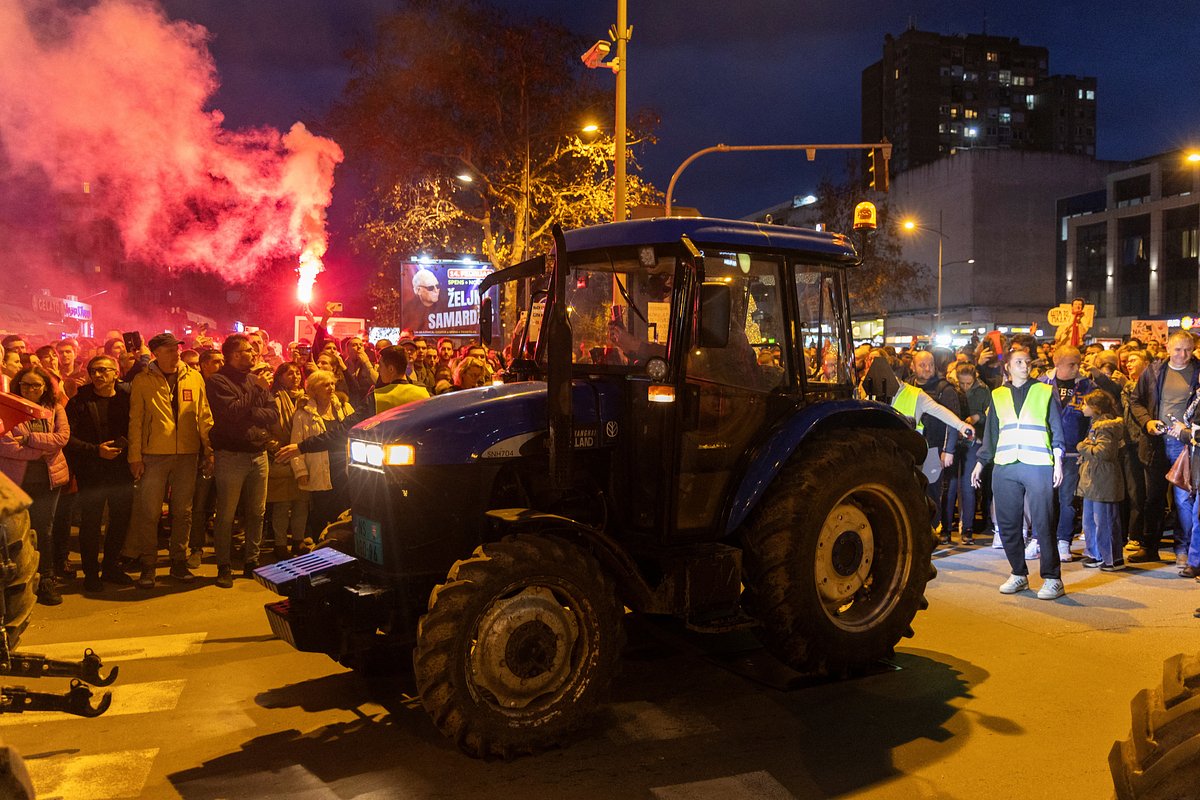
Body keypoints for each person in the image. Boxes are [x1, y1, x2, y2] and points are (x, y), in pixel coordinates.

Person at [971, 347, 1067, 600]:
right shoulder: (998, 395)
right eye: (1019, 362)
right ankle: (1018, 573)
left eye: (1027, 362)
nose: (1025, 366)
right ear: (1008, 367)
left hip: (1038, 463)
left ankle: (1052, 578)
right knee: (1008, 523)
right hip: (1005, 464)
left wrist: (1058, 461)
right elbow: (991, 433)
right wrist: (981, 463)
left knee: (1043, 521)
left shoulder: (1045, 390)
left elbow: (1056, 427)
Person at [125, 332, 213, 589]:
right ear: (156, 353)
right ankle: (148, 565)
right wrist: (135, 456)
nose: (176, 353)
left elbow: (204, 415)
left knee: (182, 512)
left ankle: (178, 561)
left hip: (187, 453)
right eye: (170, 349)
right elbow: (136, 421)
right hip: (154, 454)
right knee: (150, 512)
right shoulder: (143, 380)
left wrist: (209, 449)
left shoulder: (193, 377)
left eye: (177, 349)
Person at [206, 334, 278, 588]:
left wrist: (250, 410)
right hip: (231, 456)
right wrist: (256, 391)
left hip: (258, 455)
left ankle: (252, 562)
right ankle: (224, 565)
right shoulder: (217, 381)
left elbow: (272, 414)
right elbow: (231, 414)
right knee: (226, 513)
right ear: (234, 355)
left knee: (257, 512)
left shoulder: (254, 379)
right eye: (248, 350)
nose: (254, 353)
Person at [64, 355, 136, 592]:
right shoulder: (79, 401)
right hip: (92, 470)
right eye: (93, 370)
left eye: (104, 370)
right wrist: (96, 451)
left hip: (121, 469)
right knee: (92, 523)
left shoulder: (127, 399)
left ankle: (111, 567)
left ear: (116, 373)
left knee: (120, 519)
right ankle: (91, 573)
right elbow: (68, 438)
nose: (97, 375)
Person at [1128, 331, 1200, 564]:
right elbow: (1135, 401)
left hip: (1187, 445)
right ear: (1167, 348)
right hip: (1156, 444)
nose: (1183, 354)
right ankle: (1150, 546)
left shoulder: (1198, 372)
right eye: (1178, 349)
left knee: (1184, 500)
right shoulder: (1153, 371)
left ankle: (1184, 548)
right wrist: (1147, 421)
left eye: (1188, 349)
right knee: (1153, 497)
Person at [0, 367, 70, 605]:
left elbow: (62, 438)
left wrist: (29, 439)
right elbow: (6, 444)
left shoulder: (54, 409)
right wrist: (41, 451)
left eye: (36, 386)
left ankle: (47, 579)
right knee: (16, 536)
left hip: (49, 479)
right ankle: (21, 582)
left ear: (45, 388)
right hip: (16, 481)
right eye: (26, 385)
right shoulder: (6, 408)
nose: (30, 390)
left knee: (44, 530)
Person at [1031, 345, 1095, 563]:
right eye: (1071, 364)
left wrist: (1086, 446)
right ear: (1056, 362)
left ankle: (1063, 540)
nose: (1077, 368)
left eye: (1078, 363)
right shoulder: (1041, 384)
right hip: (1043, 450)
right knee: (1042, 499)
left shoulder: (1087, 386)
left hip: (1072, 453)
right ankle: (1038, 539)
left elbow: (1093, 419)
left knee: (1067, 499)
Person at [287, 370, 354, 537]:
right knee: (321, 511)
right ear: (314, 389)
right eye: (325, 385)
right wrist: (301, 471)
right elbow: (296, 443)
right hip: (319, 468)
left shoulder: (344, 408)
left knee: (343, 511)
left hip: (342, 469)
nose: (331, 388)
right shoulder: (303, 415)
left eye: (332, 383)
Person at [909, 350, 962, 539]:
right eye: (922, 365)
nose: (927, 368)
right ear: (912, 366)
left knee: (932, 492)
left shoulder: (945, 390)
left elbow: (953, 422)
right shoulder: (908, 388)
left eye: (930, 364)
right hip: (912, 449)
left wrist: (948, 450)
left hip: (934, 449)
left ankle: (934, 532)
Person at [1077, 389, 1126, 572]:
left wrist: (1083, 447)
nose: (1082, 408)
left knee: (1104, 520)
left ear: (1095, 407)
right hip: (1093, 478)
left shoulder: (1106, 427)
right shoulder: (1095, 424)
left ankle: (1112, 558)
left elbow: (1104, 452)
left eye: (1085, 404)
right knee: (1090, 520)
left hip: (1103, 479)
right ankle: (1095, 553)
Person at [266, 362, 309, 558]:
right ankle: (280, 544)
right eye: (289, 373)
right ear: (280, 376)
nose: (295, 377)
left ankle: (298, 541)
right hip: (282, 454)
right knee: (282, 504)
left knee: (302, 502)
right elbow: (266, 426)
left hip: (303, 454)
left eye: (297, 373)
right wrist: (276, 446)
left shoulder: (307, 398)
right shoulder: (273, 397)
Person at [947, 362, 990, 544]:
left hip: (974, 440)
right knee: (950, 486)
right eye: (962, 383)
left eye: (968, 383)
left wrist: (978, 416)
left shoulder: (983, 390)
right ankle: (946, 528)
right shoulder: (951, 389)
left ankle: (968, 529)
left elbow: (991, 413)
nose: (965, 387)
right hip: (953, 439)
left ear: (975, 378)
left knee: (968, 485)